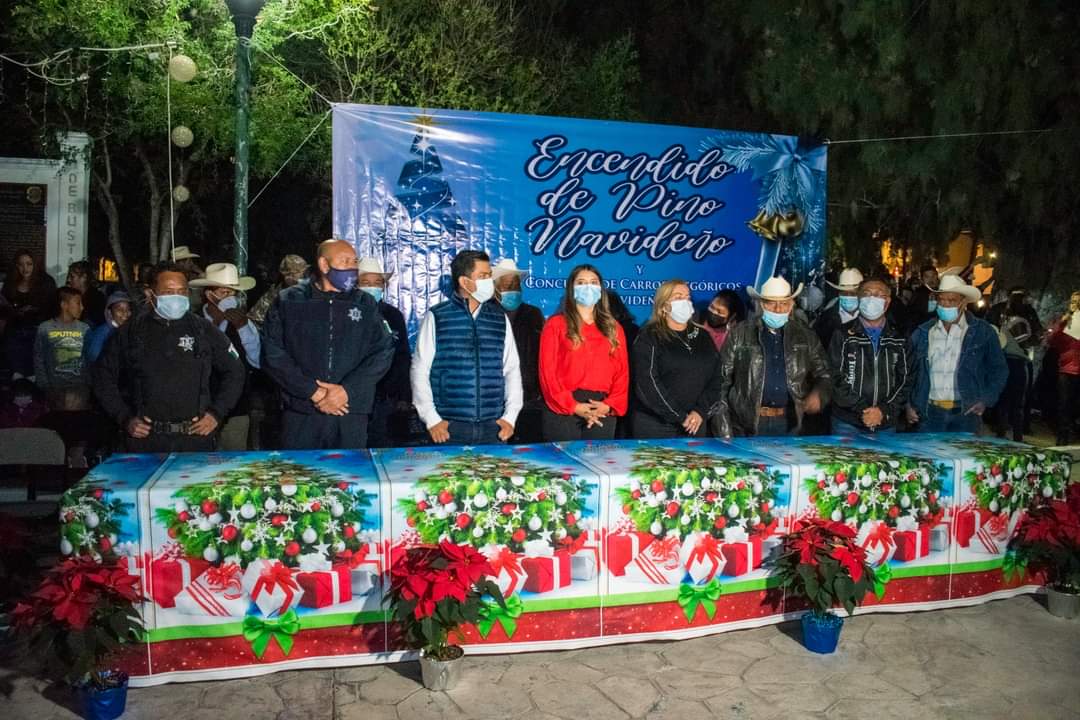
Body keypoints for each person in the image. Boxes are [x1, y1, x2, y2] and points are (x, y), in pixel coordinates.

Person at [92, 261, 245, 452]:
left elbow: (235, 371)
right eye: (168, 292)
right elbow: (102, 377)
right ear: (151, 294)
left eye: (182, 292)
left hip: (194, 439)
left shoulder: (202, 329)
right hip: (146, 441)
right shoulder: (131, 332)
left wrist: (216, 413)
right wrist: (124, 417)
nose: (176, 298)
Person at [262, 240, 395, 449]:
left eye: (354, 262)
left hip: (349, 411)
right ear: (324, 265)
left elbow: (383, 351)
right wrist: (313, 391)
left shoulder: (365, 303)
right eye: (345, 261)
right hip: (302, 411)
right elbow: (273, 353)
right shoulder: (289, 301)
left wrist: (347, 390)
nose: (352, 268)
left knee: (350, 469)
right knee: (301, 468)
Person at [411, 250, 522, 445]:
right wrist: (432, 419)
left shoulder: (499, 318)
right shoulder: (437, 316)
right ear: (464, 281)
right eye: (483, 276)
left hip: (493, 427)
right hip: (448, 427)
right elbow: (420, 370)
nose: (490, 281)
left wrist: (510, 417)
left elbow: (511, 369)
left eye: (490, 276)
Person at [711, 276, 831, 438]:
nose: (778, 309)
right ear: (762, 304)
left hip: (793, 424)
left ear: (791, 305)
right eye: (772, 303)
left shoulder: (805, 335)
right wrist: (724, 431)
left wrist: (819, 393)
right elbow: (720, 382)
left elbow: (825, 374)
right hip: (747, 425)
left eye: (784, 303)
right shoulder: (740, 333)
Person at [906, 274, 1008, 433]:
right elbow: (908, 371)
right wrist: (909, 404)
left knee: (964, 450)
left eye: (951, 300)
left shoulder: (982, 331)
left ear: (963, 302)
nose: (945, 304)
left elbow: (999, 369)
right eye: (941, 299)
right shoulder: (923, 332)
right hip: (929, 412)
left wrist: (986, 398)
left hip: (966, 413)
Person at [538, 264, 628, 441]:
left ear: (601, 289)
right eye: (581, 282)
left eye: (593, 282)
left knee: (599, 458)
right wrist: (573, 406)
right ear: (571, 289)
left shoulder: (614, 328)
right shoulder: (555, 325)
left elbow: (622, 373)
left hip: (601, 408)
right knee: (564, 459)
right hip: (563, 409)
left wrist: (609, 405)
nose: (588, 287)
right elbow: (547, 372)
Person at [632, 279, 723, 438]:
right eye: (678, 297)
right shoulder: (649, 336)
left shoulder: (703, 336)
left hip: (695, 423)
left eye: (687, 297)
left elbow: (717, 376)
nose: (685, 302)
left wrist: (700, 411)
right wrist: (678, 416)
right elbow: (647, 382)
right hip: (656, 424)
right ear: (664, 305)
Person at [190, 263, 261, 451]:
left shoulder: (243, 323)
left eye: (233, 293)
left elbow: (257, 361)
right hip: (199, 409)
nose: (230, 298)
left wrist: (242, 328)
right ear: (209, 295)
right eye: (224, 292)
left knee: (233, 458)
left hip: (236, 408)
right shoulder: (193, 323)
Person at [828, 278, 911, 435]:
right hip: (848, 421)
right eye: (866, 294)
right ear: (859, 299)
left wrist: (883, 410)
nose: (872, 299)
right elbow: (834, 376)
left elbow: (906, 378)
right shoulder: (843, 334)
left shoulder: (899, 337)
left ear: (887, 302)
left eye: (878, 295)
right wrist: (863, 409)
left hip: (886, 421)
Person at [355, 257, 412, 448]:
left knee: (384, 446)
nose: (372, 287)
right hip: (354, 396)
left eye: (377, 283)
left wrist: (404, 396)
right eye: (366, 283)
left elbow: (403, 356)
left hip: (387, 398)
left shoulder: (393, 315)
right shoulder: (347, 313)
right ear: (356, 285)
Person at [493, 258, 545, 443]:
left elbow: (542, 354)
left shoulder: (533, 314)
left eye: (515, 284)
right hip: (495, 397)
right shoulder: (486, 313)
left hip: (529, 397)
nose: (512, 289)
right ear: (495, 287)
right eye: (507, 285)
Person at [1, 251, 57, 378]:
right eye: (21, 264)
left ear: (35, 264)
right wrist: (13, 311)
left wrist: (34, 310)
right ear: (16, 265)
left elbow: (52, 308)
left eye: (29, 264)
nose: (25, 268)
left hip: (37, 329)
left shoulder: (46, 282)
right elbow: (4, 305)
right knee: (16, 370)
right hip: (15, 330)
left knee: (34, 369)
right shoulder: (11, 281)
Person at [34, 287, 91, 411]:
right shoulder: (45, 328)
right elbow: (39, 358)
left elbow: (89, 358)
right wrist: (45, 386)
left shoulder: (85, 328)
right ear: (64, 305)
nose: (82, 307)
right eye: (78, 303)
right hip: (54, 388)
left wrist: (87, 384)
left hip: (79, 387)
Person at [1047, 291, 1080, 445]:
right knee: (1064, 403)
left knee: (1074, 404)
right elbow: (1052, 340)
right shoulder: (1066, 321)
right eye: (1073, 301)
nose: (1074, 305)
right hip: (1067, 368)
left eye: (1078, 302)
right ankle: (1063, 435)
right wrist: (1061, 323)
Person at [248, 254, 310, 329]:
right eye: (301, 272)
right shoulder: (279, 293)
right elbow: (256, 319)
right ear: (289, 275)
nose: (304, 275)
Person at [814, 268, 863, 348]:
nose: (848, 296)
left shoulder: (869, 316)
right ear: (839, 293)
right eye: (844, 292)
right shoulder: (826, 319)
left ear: (861, 294)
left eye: (853, 293)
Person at [83, 291, 132, 363]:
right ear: (110, 313)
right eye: (119, 309)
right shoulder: (103, 333)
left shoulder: (126, 330)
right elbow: (94, 357)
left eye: (128, 309)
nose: (125, 313)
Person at [65, 260, 107, 327]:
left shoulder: (96, 299)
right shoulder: (73, 296)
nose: (69, 280)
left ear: (84, 277)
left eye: (72, 277)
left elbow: (91, 323)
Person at [907, 264, 940, 331]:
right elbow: (912, 317)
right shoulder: (918, 294)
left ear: (937, 276)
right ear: (922, 279)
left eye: (933, 276)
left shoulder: (942, 291)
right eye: (927, 277)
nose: (931, 279)